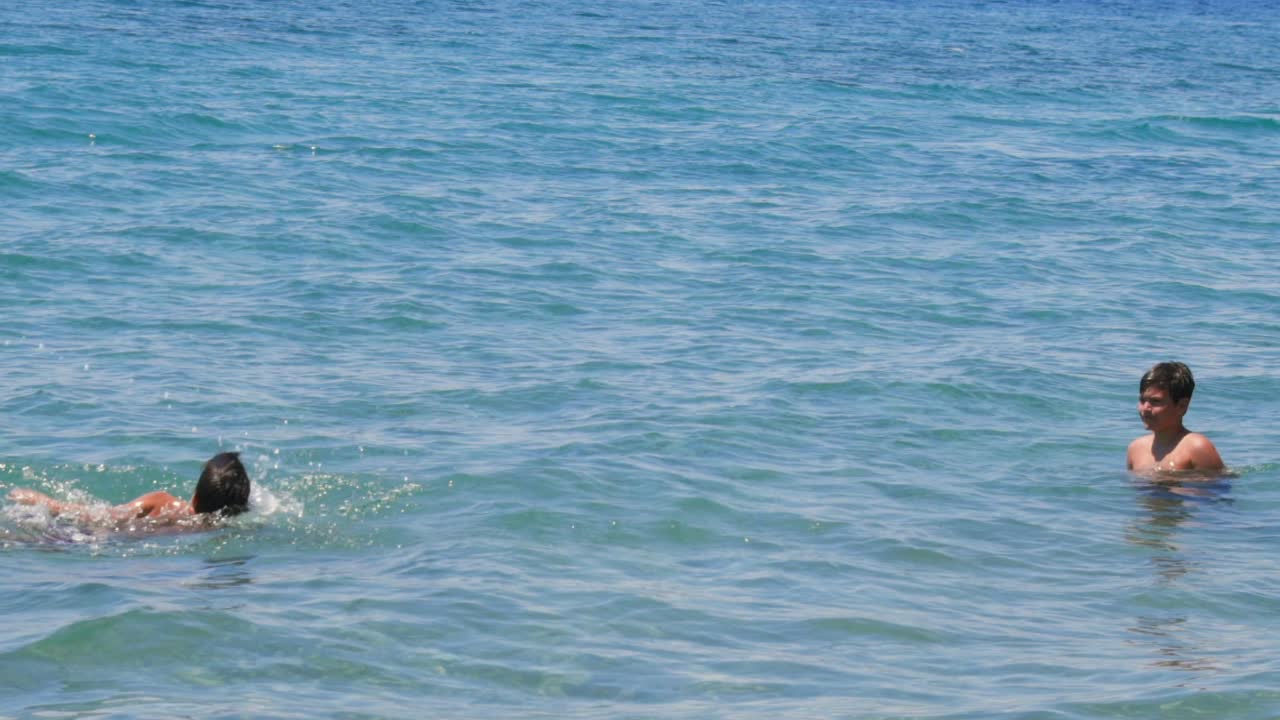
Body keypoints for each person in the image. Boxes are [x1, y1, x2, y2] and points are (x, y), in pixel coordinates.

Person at [8, 451, 250, 526]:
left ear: (195, 496)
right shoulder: (215, 528)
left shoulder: (162, 502)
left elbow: (104, 517)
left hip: (89, 538)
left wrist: (44, 502)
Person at [1127, 362, 1224, 473]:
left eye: (1155, 401)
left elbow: (1220, 483)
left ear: (1181, 406)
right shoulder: (1135, 449)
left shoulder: (1196, 447)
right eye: (1142, 400)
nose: (1145, 408)